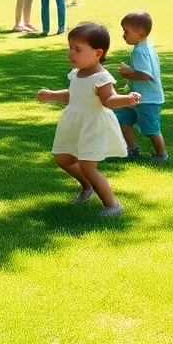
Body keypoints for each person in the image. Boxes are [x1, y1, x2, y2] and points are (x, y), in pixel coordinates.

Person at [35, 23, 139, 216]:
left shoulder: (102, 77)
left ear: (97, 53)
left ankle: (112, 205)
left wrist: (126, 99)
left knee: (87, 166)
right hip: (74, 123)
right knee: (63, 158)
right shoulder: (77, 72)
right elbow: (72, 95)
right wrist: (52, 95)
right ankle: (87, 186)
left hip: (93, 125)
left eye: (77, 49)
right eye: (70, 48)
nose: (70, 53)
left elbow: (108, 100)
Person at [115, 11, 168, 161]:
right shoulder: (146, 45)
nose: (123, 35)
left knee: (151, 129)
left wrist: (128, 73)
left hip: (148, 99)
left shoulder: (140, 51)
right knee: (123, 119)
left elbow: (145, 75)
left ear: (140, 34)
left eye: (126, 32)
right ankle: (133, 150)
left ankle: (162, 155)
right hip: (136, 97)